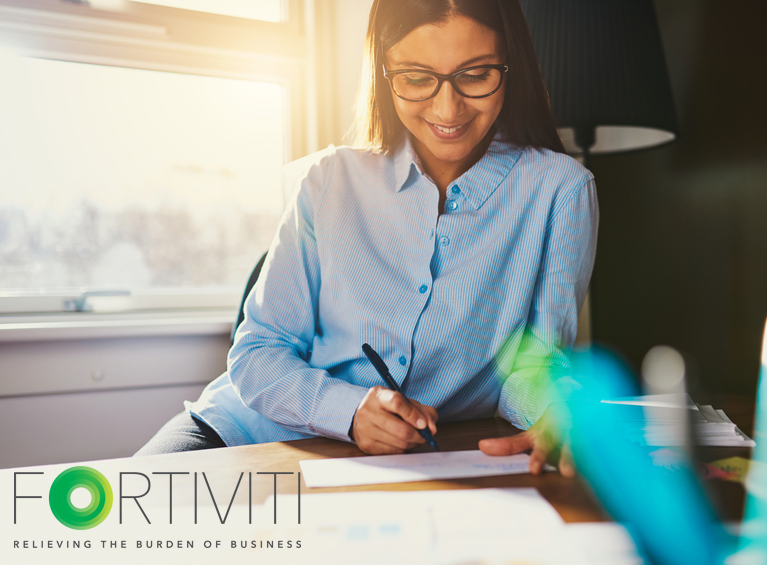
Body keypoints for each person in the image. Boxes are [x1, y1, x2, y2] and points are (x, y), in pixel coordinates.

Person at [136, 0, 597, 476]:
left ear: (511, 66)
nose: (447, 109)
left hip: (419, 461)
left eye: (476, 75)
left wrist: (557, 411)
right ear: (384, 73)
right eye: (417, 79)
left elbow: (536, 367)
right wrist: (349, 410)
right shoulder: (328, 180)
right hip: (249, 430)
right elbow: (257, 352)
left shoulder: (560, 191)